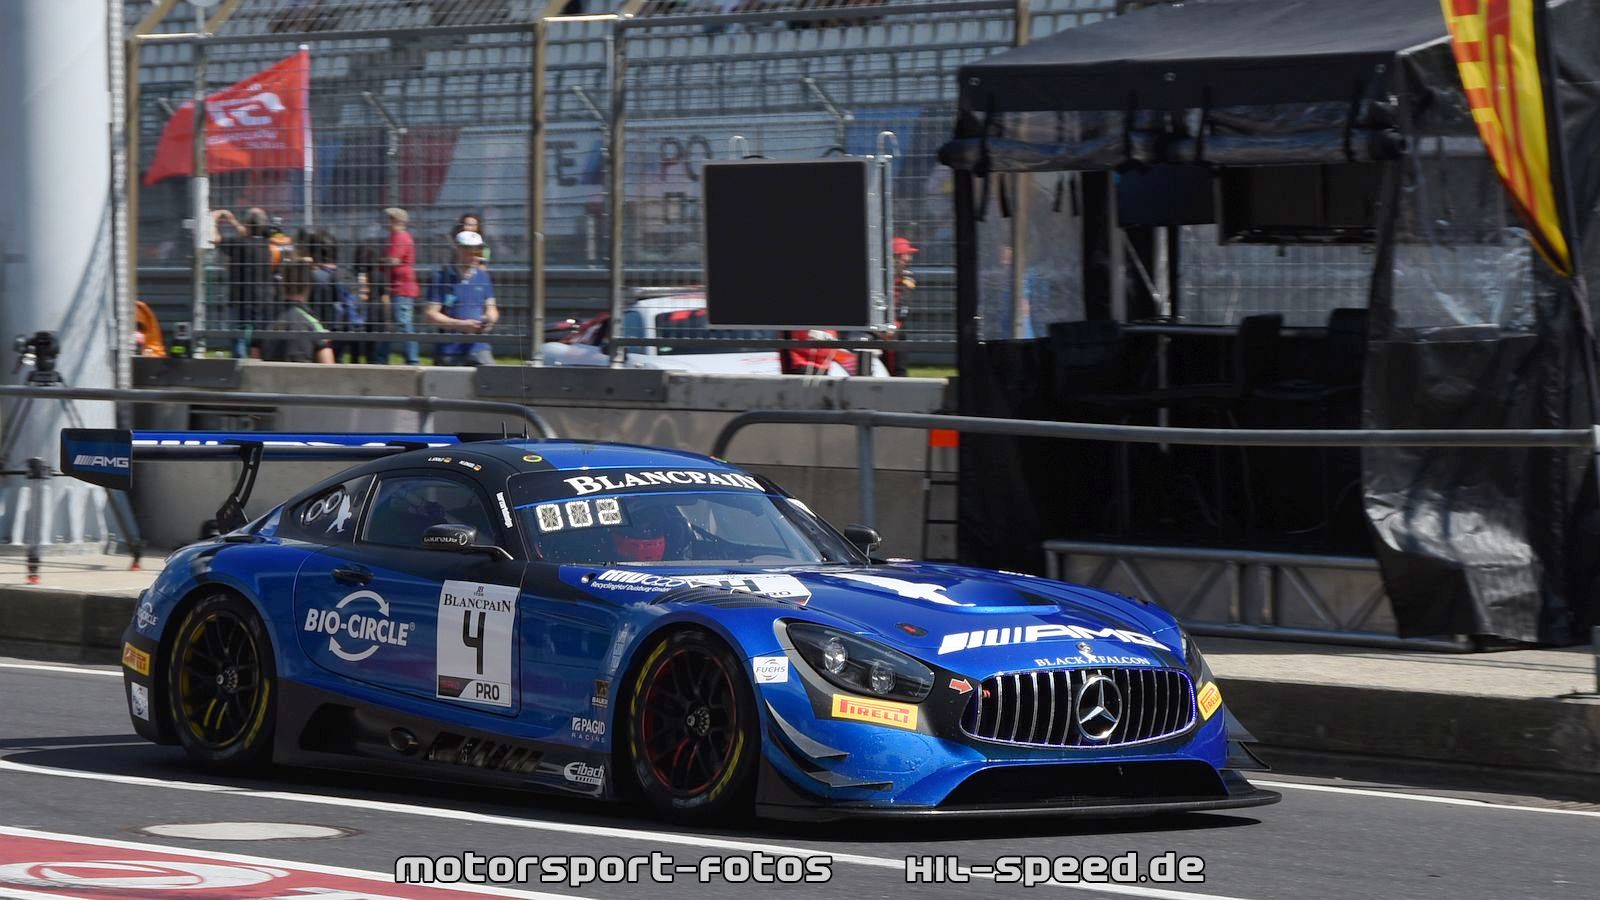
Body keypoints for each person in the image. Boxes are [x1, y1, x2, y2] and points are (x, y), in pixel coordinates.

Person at [424, 231, 499, 366]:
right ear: (458, 249)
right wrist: (461, 325)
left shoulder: (483, 276)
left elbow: (492, 308)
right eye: (469, 250)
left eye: (477, 250)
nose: (474, 254)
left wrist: (488, 320)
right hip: (449, 350)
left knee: (493, 376)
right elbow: (431, 314)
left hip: (479, 347)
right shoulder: (441, 277)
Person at [211, 207, 273, 358]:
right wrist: (233, 221)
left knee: (238, 337)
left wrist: (213, 219)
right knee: (257, 340)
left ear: (247, 225)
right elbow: (248, 233)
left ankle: (241, 365)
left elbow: (215, 239)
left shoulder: (238, 244)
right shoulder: (265, 245)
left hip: (240, 301)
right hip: (262, 301)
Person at [261, 259, 335, 364]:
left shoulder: (267, 322)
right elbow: (328, 367)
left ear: (282, 285)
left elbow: (255, 360)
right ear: (309, 286)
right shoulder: (313, 323)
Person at [383, 207, 420, 365]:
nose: (385, 223)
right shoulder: (394, 236)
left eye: (388, 219)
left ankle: (412, 359)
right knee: (391, 324)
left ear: (396, 221)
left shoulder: (400, 237)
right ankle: (382, 357)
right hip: (396, 286)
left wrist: (377, 261)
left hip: (402, 287)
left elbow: (394, 260)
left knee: (403, 323)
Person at [353, 243, 390, 364]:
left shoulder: (355, 276)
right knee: (375, 349)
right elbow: (385, 298)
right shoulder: (380, 276)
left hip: (360, 315)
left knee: (357, 348)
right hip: (377, 314)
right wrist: (387, 319)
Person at [886, 235, 917, 376]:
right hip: (881, 326)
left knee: (899, 365)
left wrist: (894, 324)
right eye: (906, 254)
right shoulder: (882, 275)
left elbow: (904, 300)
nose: (908, 258)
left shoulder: (907, 276)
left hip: (897, 325)